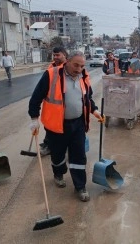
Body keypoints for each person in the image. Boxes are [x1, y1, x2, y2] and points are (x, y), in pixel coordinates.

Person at [28, 51, 105, 202]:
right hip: (56, 124)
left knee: (79, 155)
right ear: (67, 61)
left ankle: (80, 186)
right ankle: (58, 174)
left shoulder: (84, 76)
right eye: (76, 65)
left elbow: (87, 98)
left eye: (82, 66)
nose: (79, 69)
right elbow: (36, 98)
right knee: (57, 154)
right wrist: (34, 119)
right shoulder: (52, 75)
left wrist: (94, 110)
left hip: (78, 124)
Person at [39, 46, 68, 156]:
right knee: (50, 129)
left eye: (58, 55)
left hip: (65, 107)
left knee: (64, 131)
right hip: (52, 108)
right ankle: (49, 146)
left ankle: (61, 148)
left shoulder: (68, 68)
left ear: (64, 54)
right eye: (54, 55)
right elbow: (43, 88)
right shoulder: (51, 68)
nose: (55, 57)